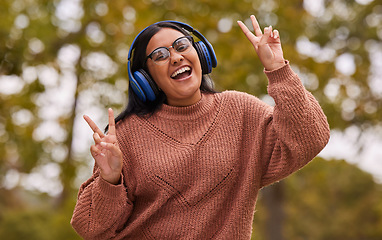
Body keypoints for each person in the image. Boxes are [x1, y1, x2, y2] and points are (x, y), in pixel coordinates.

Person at [71, 15, 330, 239]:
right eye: (160, 55)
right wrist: (110, 180)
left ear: (201, 54)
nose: (175, 57)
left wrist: (277, 70)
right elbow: (91, 228)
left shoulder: (240, 111)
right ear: (146, 77)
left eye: (181, 45)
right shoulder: (126, 134)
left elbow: (311, 138)